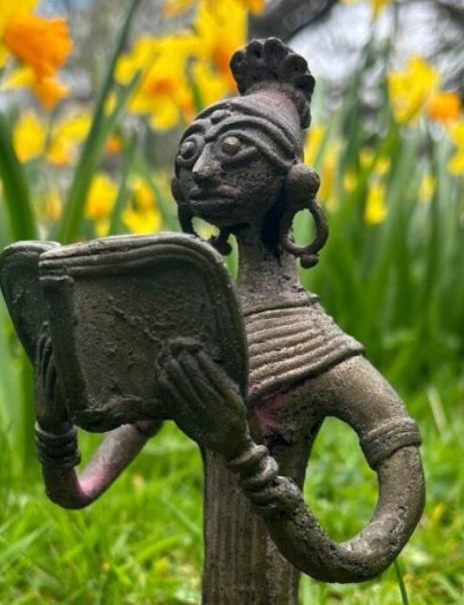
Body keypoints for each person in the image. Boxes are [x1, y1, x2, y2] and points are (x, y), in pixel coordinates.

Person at [32, 38, 425, 604]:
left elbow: (363, 554)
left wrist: (242, 454)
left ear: (294, 182)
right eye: (191, 152)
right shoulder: (191, 334)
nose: (204, 169)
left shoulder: (320, 353)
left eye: (235, 149)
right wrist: (54, 427)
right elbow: (76, 492)